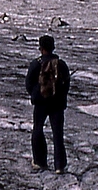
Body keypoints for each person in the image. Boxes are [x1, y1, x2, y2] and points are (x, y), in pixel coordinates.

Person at [25, 35, 70, 172]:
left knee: (38, 130)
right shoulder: (61, 64)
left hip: (40, 102)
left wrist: (35, 94)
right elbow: (66, 84)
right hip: (57, 103)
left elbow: (28, 83)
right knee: (58, 134)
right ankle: (59, 165)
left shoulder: (36, 63)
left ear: (41, 48)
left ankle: (40, 161)